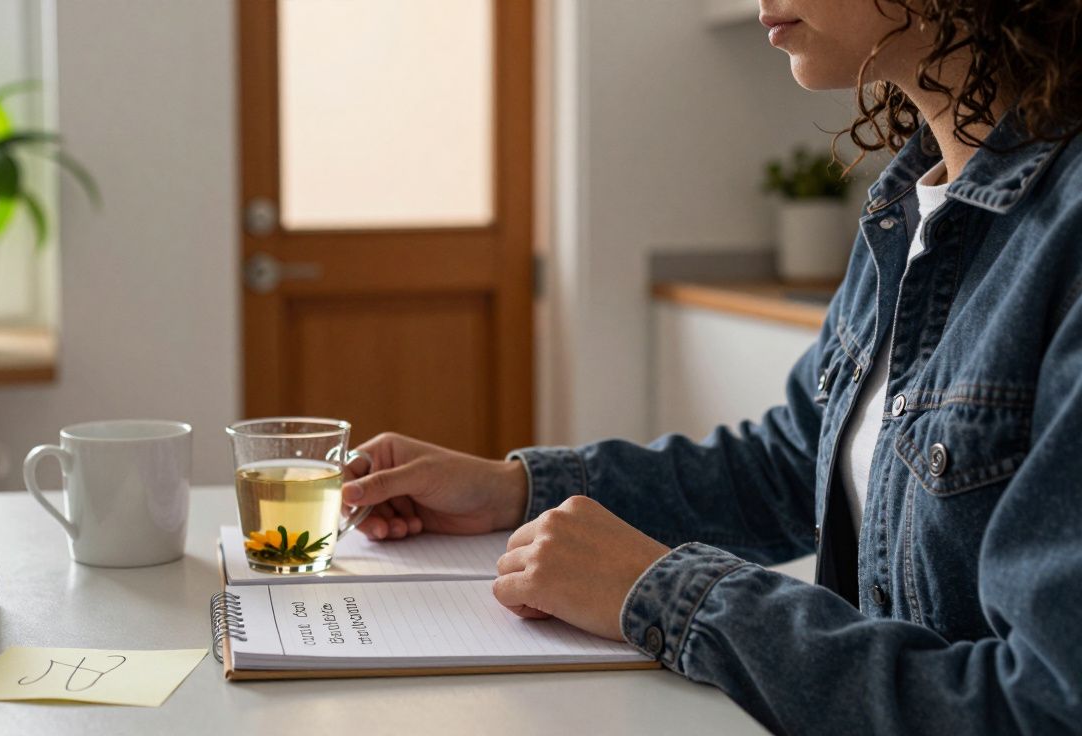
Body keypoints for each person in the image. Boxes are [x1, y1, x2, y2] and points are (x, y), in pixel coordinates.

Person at [340, 0, 1082, 732]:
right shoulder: (913, 203)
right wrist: (512, 490)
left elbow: (1040, 709)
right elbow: (792, 464)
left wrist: (666, 592)